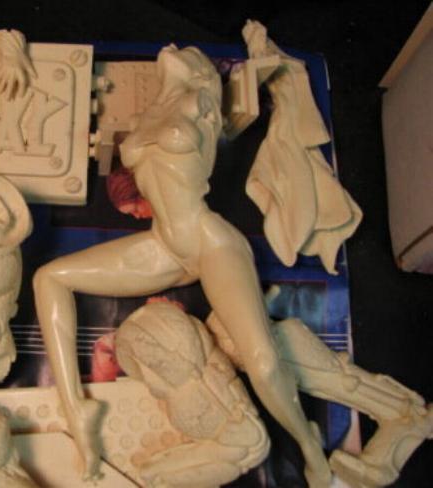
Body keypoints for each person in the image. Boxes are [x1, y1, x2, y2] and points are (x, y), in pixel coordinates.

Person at [33, 44, 331, 485]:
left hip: (209, 241)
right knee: (49, 277)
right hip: (165, 243)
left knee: (264, 362)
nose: (171, 48)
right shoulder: (146, 115)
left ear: (204, 73)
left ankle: (309, 446)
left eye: (184, 51)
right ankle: (77, 412)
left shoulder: (201, 104)